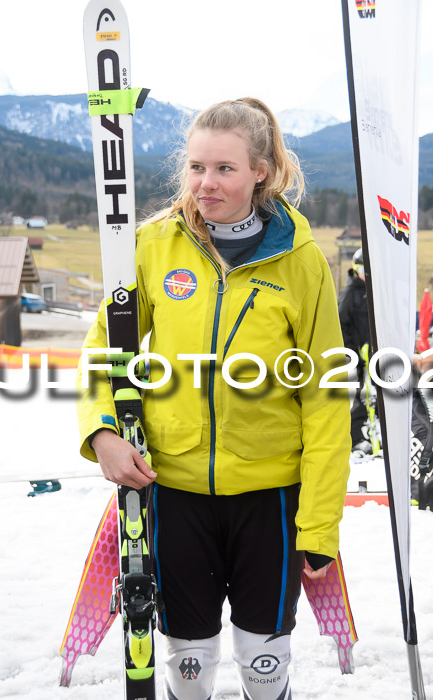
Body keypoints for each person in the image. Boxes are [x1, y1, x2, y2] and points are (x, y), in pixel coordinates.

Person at [77, 98, 351, 700]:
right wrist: (102, 435)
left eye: (225, 169)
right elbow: (104, 349)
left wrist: (320, 524)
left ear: (261, 170)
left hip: (271, 500)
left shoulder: (300, 259)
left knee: (264, 662)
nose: (206, 184)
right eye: (196, 167)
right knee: (188, 664)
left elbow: (327, 399)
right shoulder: (153, 246)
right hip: (173, 493)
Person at [338, 248, 373, 450]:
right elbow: (340, 324)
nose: (365, 274)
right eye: (362, 269)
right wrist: (352, 351)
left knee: (374, 394)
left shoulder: (373, 291)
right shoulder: (352, 292)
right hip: (356, 354)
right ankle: (354, 437)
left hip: (372, 352)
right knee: (358, 395)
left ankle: (371, 430)